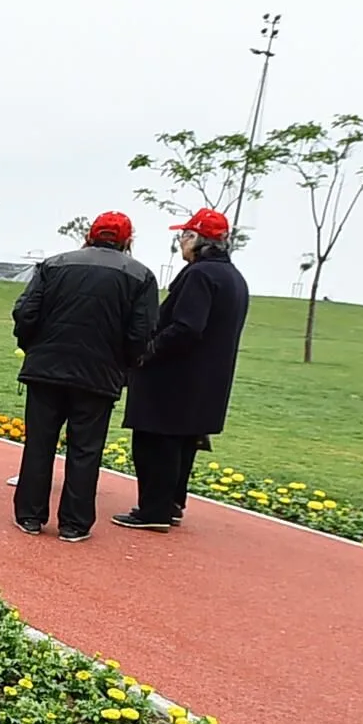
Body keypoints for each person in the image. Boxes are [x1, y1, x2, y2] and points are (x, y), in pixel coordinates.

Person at [9, 211, 156, 542]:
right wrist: (126, 363)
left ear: (90, 234)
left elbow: (25, 312)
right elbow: (142, 331)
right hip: (98, 374)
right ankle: (74, 523)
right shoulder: (141, 276)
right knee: (86, 449)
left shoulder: (54, 264)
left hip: (46, 368)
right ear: (127, 241)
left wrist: (32, 346)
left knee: (39, 444)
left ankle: (30, 515)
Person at [117, 209, 251, 532]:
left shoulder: (199, 275)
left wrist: (148, 350)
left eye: (183, 236)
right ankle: (173, 503)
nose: (180, 243)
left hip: (175, 378)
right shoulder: (234, 278)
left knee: (155, 443)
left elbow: (187, 327)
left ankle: (154, 510)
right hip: (208, 380)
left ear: (196, 239)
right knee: (182, 445)